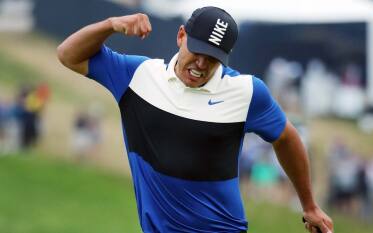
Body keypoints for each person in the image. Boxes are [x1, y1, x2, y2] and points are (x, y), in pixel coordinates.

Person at [57, 6, 333, 233]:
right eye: (197, 51)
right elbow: (68, 55)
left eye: (212, 58)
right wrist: (110, 24)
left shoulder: (247, 92)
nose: (201, 65)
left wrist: (308, 205)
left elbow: (286, 136)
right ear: (180, 36)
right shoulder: (137, 76)